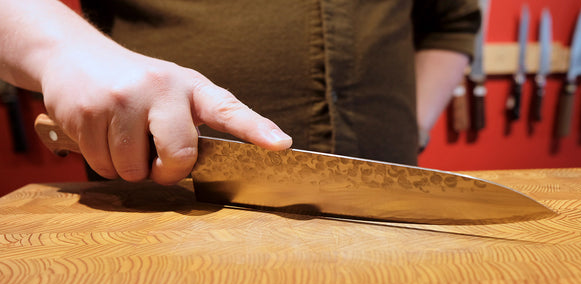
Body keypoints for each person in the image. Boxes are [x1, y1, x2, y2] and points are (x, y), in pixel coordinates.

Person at [0, 0, 480, 185]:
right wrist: (67, 53)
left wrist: (412, 126)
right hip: (163, 212)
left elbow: (451, 24)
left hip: (388, 205)